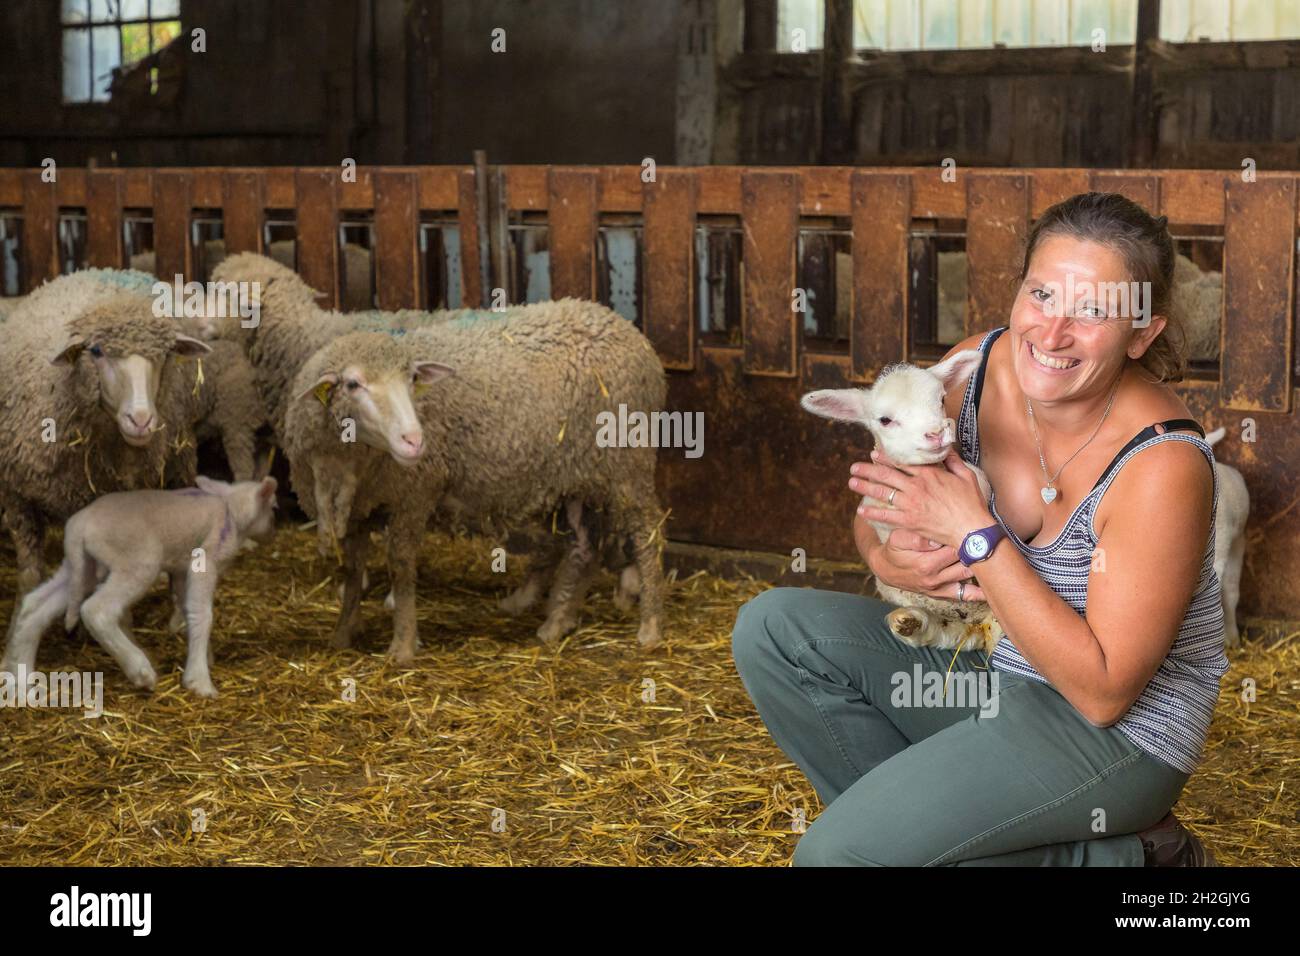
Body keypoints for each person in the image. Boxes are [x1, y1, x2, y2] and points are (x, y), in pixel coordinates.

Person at [732, 192, 1229, 866]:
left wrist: (976, 534)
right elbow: (881, 508)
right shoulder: (974, 370)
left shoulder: (1162, 464)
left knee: (836, 857)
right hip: (987, 667)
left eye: (1093, 312)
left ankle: (1130, 858)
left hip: (1112, 734)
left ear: (1142, 333)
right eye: (1042, 294)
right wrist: (888, 560)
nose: (1052, 333)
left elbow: (1105, 690)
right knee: (775, 630)